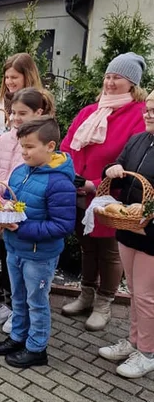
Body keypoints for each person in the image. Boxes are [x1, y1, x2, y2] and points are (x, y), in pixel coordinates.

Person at [60, 53, 146, 331]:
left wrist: (95, 183)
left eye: (117, 77)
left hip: (111, 195)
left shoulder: (137, 113)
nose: (109, 82)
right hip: (78, 191)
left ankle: (104, 302)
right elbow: (67, 145)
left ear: (131, 84)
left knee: (109, 252)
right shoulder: (90, 111)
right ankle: (85, 294)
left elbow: (130, 159)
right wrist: (69, 175)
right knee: (86, 247)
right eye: (108, 76)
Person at [0, 117, 76, 368]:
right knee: (18, 297)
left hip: (39, 255)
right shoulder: (20, 172)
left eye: (29, 147)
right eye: (22, 146)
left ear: (50, 146)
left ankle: (37, 348)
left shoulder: (59, 182)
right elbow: (8, 199)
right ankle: (18, 336)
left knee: (36, 302)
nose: (24, 152)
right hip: (14, 247)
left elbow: (63, 225)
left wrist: (22, 227)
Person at [0, 88, 56, 335]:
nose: (15, 118)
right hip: (3, 209)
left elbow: (35, 185)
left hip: (24, 215)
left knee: (28, 277)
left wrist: (11, 206)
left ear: (39, 112)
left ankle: (21, 317)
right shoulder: (4, 139)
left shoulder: (41, 146)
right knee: (5, 257)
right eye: (13, 113)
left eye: (23, 113)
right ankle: (12, 307)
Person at [98, 91, 154, 378]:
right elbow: (111, 168)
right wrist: (113, 169)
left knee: (145, 295)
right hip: (128, 227)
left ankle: (147, 352)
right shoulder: (137, 140)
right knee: (133, 291)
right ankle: (133, 342)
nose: (149, 113)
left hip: (152, 234)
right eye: (147, 107)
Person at [0, 53, 44, 130]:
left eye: (14, 77)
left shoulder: (39, 101)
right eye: (7, 77)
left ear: (28, 77)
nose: (9, 82)